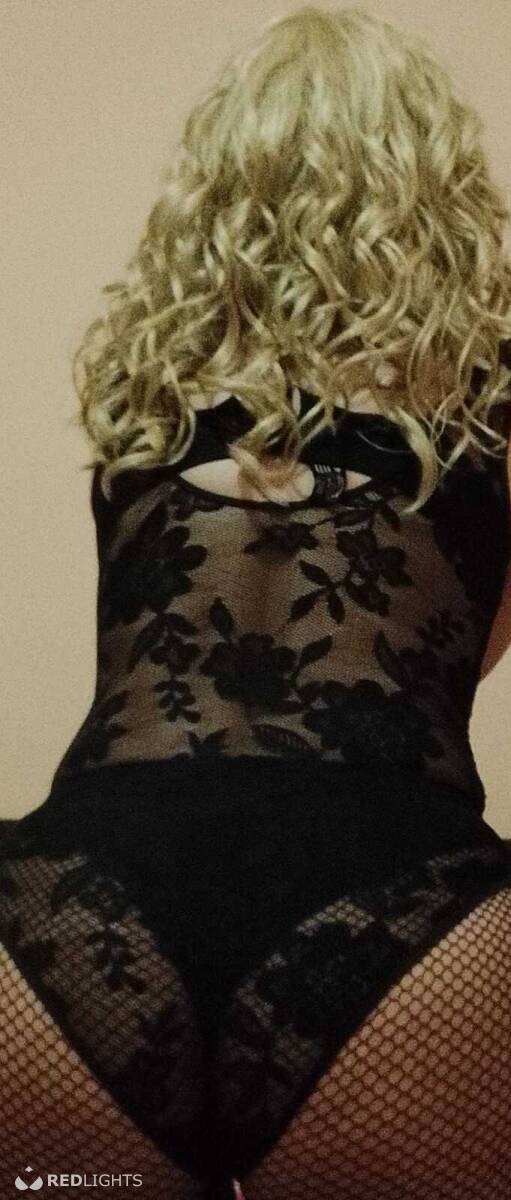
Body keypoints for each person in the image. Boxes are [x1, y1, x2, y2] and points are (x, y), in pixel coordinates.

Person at [1, 6, 511, 1198]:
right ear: (437, 186)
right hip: (399, 901)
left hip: (75, 903)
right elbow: (453, 658)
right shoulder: (490, 421)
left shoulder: (139, 423)